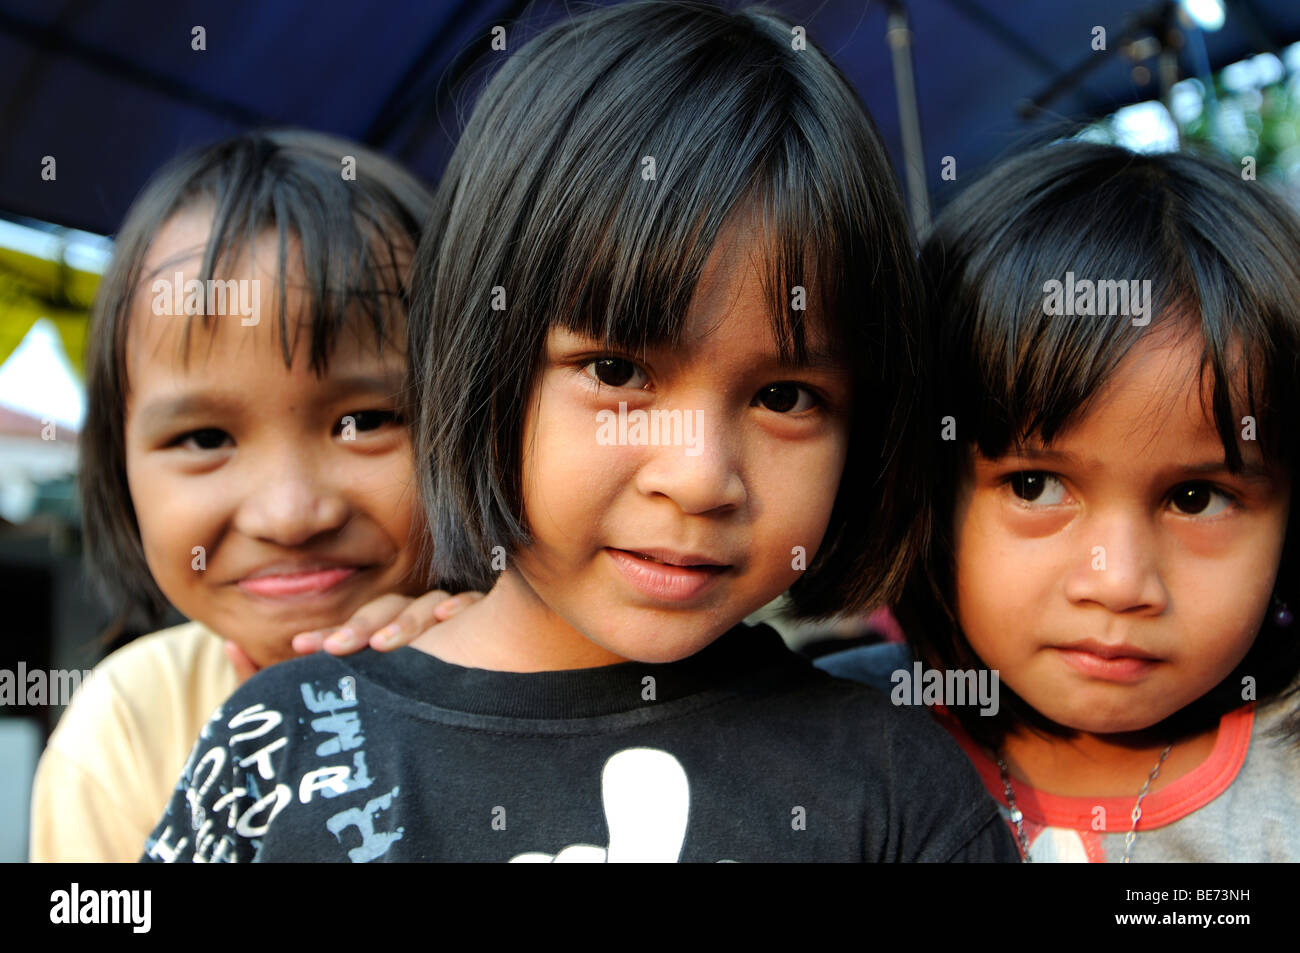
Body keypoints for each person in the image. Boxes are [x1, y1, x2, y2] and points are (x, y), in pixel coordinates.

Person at [141, 1, 1015, 863]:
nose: (701, 475)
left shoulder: (895, 787)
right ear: (481, 360)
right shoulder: (280, 747)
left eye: (785, 396)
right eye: (616, 371)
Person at [820, 141, 1300, 861]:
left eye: (1197, 497)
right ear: (927, 490)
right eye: (1035, 485)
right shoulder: (818, 739)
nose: (1117, 583)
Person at [30, 129, 451, 862]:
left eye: (368, 421)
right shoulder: (127, 727)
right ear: (116, 467)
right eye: (203, 439)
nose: (289, 513)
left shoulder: (549, 677)